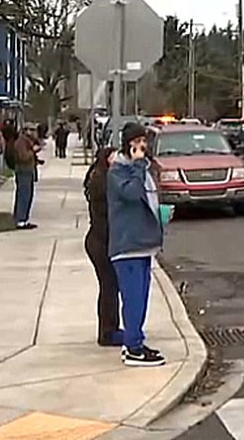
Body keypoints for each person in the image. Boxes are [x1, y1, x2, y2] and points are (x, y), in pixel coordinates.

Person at [108, 122, 166, 366]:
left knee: (141, 298)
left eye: (144, 141)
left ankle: (135, 341)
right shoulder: (118, 172)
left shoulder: (142, 169)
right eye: (137, 142)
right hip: (128, 244)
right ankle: (133, 348)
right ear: (127, 145)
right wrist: (139, 165)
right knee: (132, 298)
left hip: (144, 243)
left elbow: (148, 196)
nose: (142, 146)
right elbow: (131, 194)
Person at [84, 147, 123, 348]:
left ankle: (111, 328)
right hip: (100, 241)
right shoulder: (102, 182)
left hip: (100, 240)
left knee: (110, 286)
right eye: (114, 158)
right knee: (108, 285)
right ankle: (107, 332)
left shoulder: (101, 177)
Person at [11, 125, 40, 230]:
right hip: (24, 171)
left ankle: (23, 218)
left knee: (27, 194)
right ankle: (20, 219)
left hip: (28, 170)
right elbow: (23, 157)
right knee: (24, 195)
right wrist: (33, 151)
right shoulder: (21, 142)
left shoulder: (27, 141)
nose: (33, 132)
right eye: (31, 130)